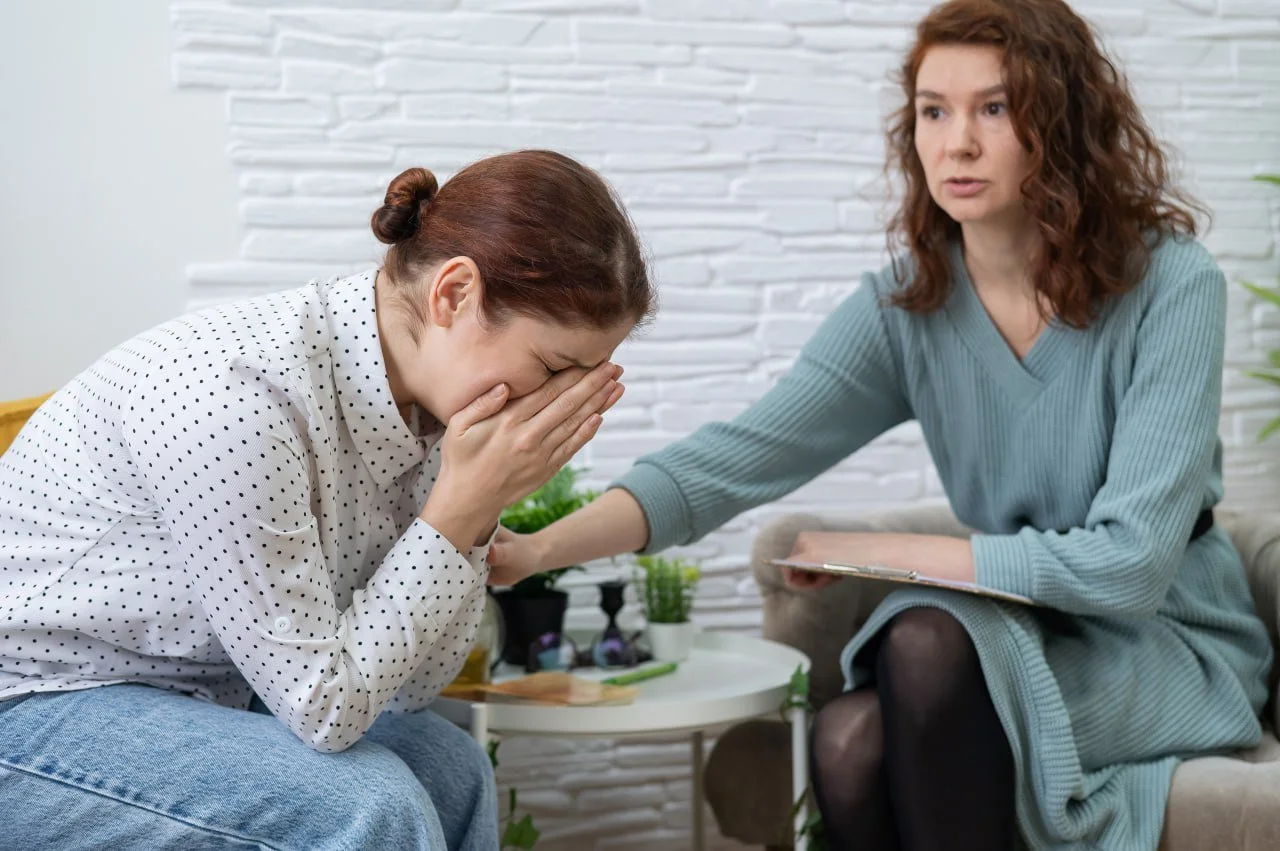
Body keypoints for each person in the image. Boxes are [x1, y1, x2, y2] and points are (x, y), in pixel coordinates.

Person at [486, 3, 1273, 850]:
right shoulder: (909, 306)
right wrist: (536, 551)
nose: (956, 143)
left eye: (995, 108)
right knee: (847, 741)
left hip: (1163, 642)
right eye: (934, 110)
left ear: (1066, 121)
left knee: (914, 653)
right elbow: (734, 459)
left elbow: (1131, 566)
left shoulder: (1170, 283)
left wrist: (883, 554)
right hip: (1020, 631)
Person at [0, 149, 653, 850]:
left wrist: (476, 507)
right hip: (37, 700)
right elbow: (325, 707)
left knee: (452, 767)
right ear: (454, 294)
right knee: (370, 805)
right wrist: (458, 510)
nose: (558, 407)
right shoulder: (240, 396)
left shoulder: (434, 411)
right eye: (554, 370)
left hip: (199, 689)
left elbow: (417, 685)